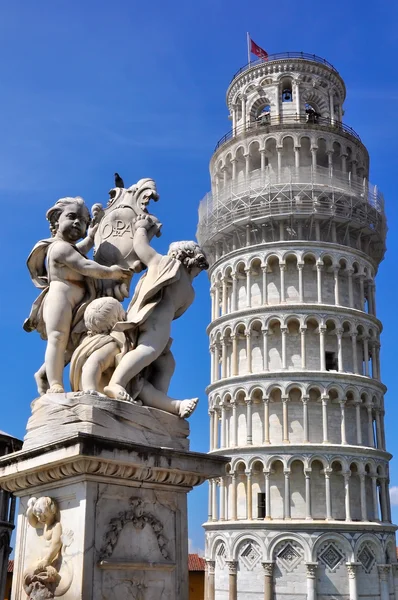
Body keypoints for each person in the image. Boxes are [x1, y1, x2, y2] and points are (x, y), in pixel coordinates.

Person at [103, 214, 208, 416]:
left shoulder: (186, 286)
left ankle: (157, 401)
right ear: (190, 260)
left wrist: (143, 228)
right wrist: (141, 226)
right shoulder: (169, 265)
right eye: (197, 269)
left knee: (166, 362)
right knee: (148, 351)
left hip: (153, 319)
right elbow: (141, 248)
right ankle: (117, 383)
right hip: (157, 321)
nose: (197, 274)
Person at [24, 197, 130, 394]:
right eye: (72, 217)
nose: (78, 223)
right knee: (58, 338)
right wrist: (112, 272)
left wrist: (90, 238)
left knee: (71, 346)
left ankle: (44, 373)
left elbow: (81, 250)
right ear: (56, 219)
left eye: (83, 220)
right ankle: (55, 383)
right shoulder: (58, 247)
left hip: (79, 302)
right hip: (60, 297)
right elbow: (86, 265)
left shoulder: (70, 248)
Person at [70, 297, 198, 417]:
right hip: (102, 389)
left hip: (121, 386)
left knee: (143, 386)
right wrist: (90, 389)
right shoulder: (110, 344)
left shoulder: (112, 341)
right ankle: (176, 406)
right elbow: (93, 363)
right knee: (145, 390)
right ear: (118, 317)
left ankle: (177, 406)